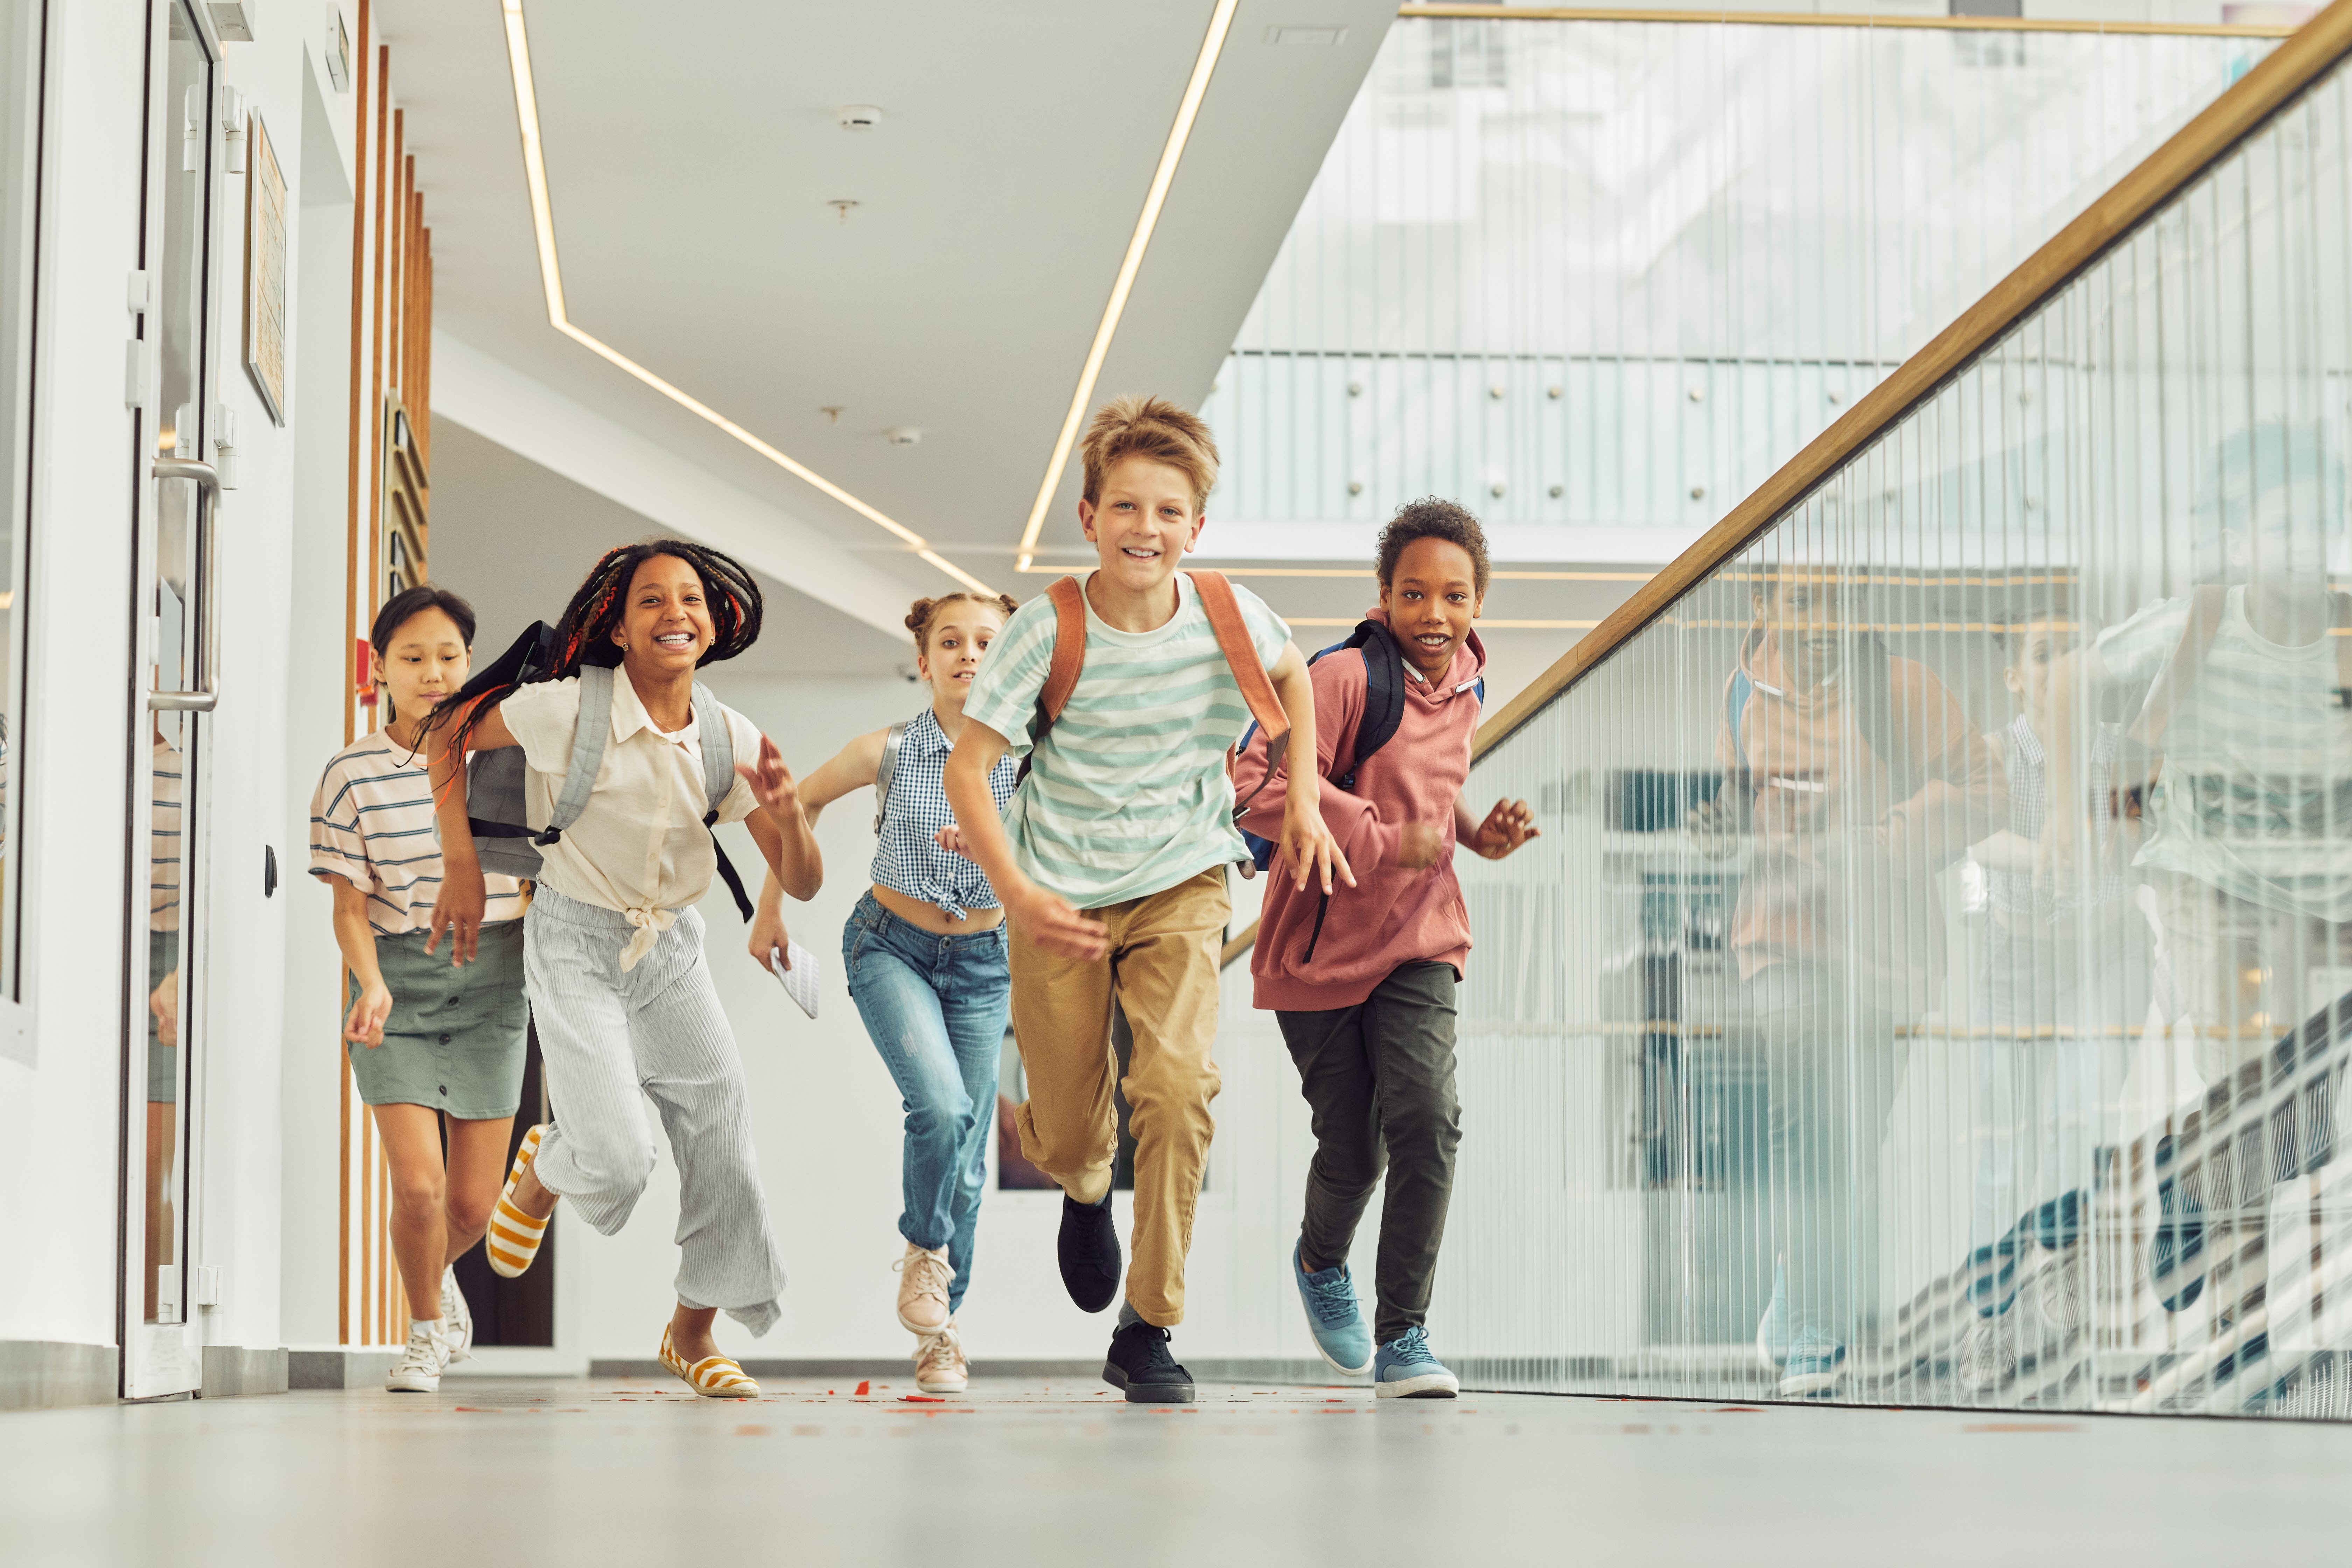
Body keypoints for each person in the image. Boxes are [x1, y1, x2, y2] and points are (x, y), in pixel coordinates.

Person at [940, 395, 1347, 1403]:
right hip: (1060, 895)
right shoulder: (1047, 630)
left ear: (1195, 528)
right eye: (1126, 507)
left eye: (1169, 512)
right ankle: (1083, 1187)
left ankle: (1151, 1324)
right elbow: (969, 768)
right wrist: (1019, 896)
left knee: (1177, 1088)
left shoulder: (1227, 614)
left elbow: (1294, 675)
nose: (1146, 530)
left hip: (1183, 878)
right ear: (1089, 518)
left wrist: (1299, 798)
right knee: (1076, 1131)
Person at [426, 540, 822, 1400]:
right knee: (618, 1158)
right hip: (572, 937)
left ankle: (693, 1331)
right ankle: (544, 1173)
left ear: (716, 625)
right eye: (650, 599)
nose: (674, 611)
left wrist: (792, 822)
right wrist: (461, 864)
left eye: (690, 598)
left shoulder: (731, 737)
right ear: (617, 621)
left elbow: (800, 881)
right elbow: (449, 732)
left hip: (672, 948)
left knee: (724, 1138)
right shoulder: (564, 708)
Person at [2044, 422, 2352, 1403]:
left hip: (2323, 893)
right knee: (2249, 1100)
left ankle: (2182, 1167)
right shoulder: (2200, 621)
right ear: (2244, 540)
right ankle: (2242, 1339)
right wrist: (2062, 823)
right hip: (2208, 880)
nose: (2302, 541)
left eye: (2319, 522)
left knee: (2303, 1122)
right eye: (2282, 523)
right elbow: (2061, 685)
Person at [1233, 500, 1537, 1398]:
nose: (1434, 614)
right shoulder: (1337, 678)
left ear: (1479, 602)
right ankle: (1320, 1259)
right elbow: (1254, 784)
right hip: (1320, 945)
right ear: (1383, 596)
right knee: (1355, 1150)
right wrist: (1377, 833)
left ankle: (1406, 1332)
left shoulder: (1473, 683)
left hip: (1422, 937)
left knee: (1429, 1122)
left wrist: (1475, 835)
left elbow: (1435, 792)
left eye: (1454, 595)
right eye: (1414, 594)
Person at [1687, 565, 2004, 1398]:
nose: (1825, 619)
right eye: (1803, 599)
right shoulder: (1741, 695)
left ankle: (1800, 1289)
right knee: (1809, 1127)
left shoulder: (1901, 687)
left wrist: (1889, 835)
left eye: (1841, 600)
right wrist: (1722, 824)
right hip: (1780, 942)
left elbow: (1988, 789)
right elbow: (1738, 810)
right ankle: (1821, 1336)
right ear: (1765, 606)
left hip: (1885, 957)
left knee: (1854, 1142)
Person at [746, 591, 1021, 1394]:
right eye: (950, 641)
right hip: (889, 946)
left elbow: (1057, 846)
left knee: (968, 1158)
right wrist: (769, 911)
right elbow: (799, 807)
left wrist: (998, 841)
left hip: (984, 960)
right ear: (925, 658)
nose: (969, 654)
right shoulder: (889, 750)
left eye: (985, 642)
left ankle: (941, 1330)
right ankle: (924, 1248)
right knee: (940, 1106)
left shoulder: (1029, 756)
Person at [310, 586, 531, 1393]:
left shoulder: (508, 759)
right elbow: (347, 904)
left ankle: (434, 1279)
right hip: (396, 980)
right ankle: (425, 1331)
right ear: (380, 669)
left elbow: (544, 881)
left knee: (470, 1206)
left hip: (495, 977)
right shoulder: (350, 773)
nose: (434, 673)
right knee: (418, 1185)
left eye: (448, 656)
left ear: (471, 663)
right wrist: (369, 984)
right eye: (413, 657)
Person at [1953, 608, 2149, 1393]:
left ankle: (2063, 1257)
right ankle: (1989, 1322)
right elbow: (1971, 834)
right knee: (2003, 1159)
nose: (2060, 665)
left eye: (2074, 650)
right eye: (2044, 653)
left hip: (2100, 954)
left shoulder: (2115, 752)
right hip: (2015, 962)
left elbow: (2138, 836)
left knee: (2078, 1120)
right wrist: (2040, 852)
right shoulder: (1992, 755)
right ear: (2015, 675)